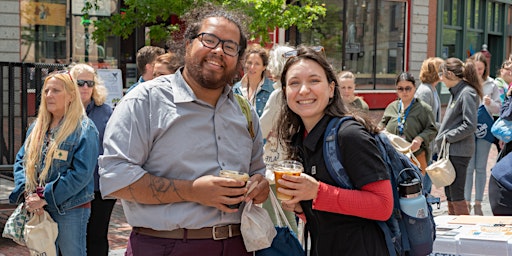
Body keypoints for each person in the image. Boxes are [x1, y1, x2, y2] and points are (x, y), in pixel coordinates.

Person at [98, 4, 270, 256]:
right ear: (188, 44)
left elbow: (257, 172)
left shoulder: (245, 111)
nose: (218, 50)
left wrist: (260, 186)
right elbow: (115, 179)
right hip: (164, 246)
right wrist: (192, 191)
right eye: (209, 40)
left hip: (238, 246)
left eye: (230, 46)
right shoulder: (145, 101)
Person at [276, 46, 393, 256]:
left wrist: (317, 192)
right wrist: (303, 207)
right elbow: (333, 215)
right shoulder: (301, 138)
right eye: (294, 83)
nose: (303, 90)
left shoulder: (350, 135)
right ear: (284, 92)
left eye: (314, 81)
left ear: (331, 89)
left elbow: (383, 206)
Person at [9, 70, 99, 255]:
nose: (49, 95)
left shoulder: (84, 128)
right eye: (46, 91)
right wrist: (28, 193)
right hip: (38, 207)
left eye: (56, 91)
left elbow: (81, 173)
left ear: (70, 96)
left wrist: (44, 196)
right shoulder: (37, 127)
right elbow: (21, 161)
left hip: (70, 209)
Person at [69, 64, 114, 256]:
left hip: (99, 188)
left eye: (90, 83)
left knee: (96, 238)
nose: (85, 87)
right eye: (80, 83)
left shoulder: (107, 112)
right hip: (70, 188)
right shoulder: (61, 111)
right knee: (71, 240)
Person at [258, 45, 298, 234]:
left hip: (276, 167)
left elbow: (260, 130)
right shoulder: (296, 94)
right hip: (294, 166)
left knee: (277, 221)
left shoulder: (278, 96)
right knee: (290, 218)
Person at [435, 57, 482, 215]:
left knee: (456, 194)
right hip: (451, 151)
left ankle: (464, 228)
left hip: (459, 152)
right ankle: (453, 226)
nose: (440, 78)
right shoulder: (456, 92)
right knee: (450, 194)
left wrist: (448, 136)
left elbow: (470, 125)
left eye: (442, 74)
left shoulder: (467, 92)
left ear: (449, 73)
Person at [379, 72, 438, 174]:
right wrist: (380, 130)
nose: (404, 92)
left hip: (415, 156)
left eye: (408, 88)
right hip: (393, 155)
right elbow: (382, 124)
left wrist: (420, 138)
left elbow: (432, 129)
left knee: (414, 187)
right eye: (400, 89)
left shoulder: (423, 108)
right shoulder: (392, 107)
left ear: (414, 88)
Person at [465, 52, 501, 215]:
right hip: (469, 128)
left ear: (485, 69)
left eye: (481, 69)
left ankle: (478, 203)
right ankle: (466, 201)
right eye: (476, 68)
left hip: (485, 128)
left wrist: (490, 103)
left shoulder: (492, 84)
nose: (478, 71)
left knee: (480, 167)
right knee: (469, 166)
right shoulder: (467, 83)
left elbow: (499, 108)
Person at [416, 57, 444, 193]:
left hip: (430, 144)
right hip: (424, 145)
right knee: (424, 184)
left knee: (427, 183)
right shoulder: (425, 92)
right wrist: (443, 127)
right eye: (441, 69)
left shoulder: (432, 89)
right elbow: (424, 120)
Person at [233, 43, 274, 116]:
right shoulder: (235, 89)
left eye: (257, 64)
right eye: (249, 63)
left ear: (264, 67)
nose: (252, 67)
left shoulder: (272, 89)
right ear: (245, 64)